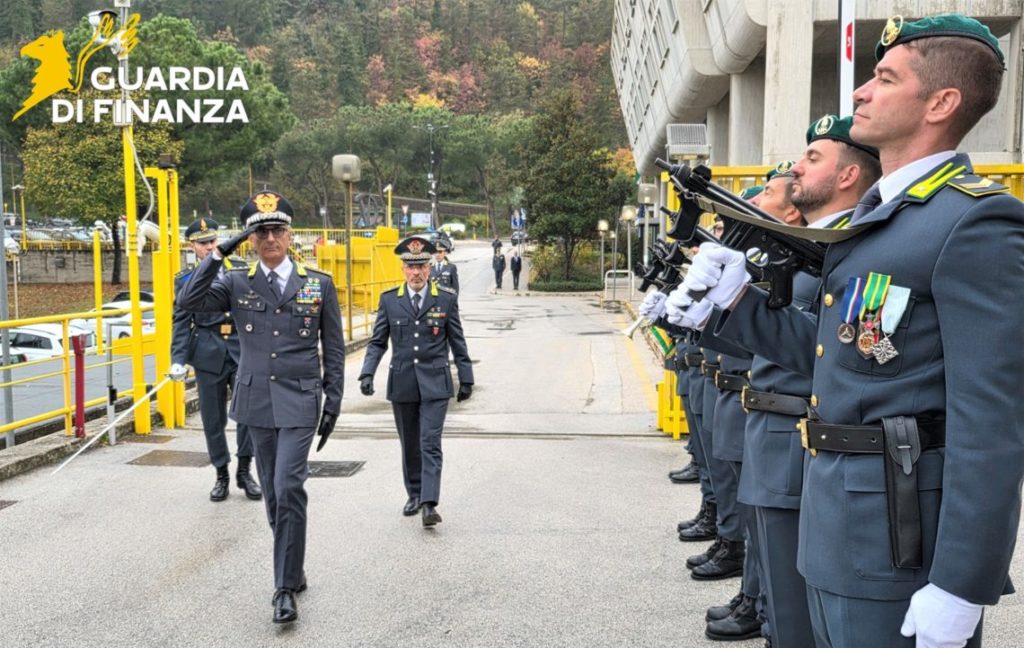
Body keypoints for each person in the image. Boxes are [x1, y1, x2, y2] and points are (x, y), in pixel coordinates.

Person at [674, 15, 1023, 647]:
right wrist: (732, 302)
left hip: (896, 542)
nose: (860, 92)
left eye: (884, 78)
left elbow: (992, 423)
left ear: (941, 103)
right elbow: (836, 360)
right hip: (831, 521)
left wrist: (962, 583)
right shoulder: (876, 222)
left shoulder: (973, 222)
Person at [178, 191, 345, 625]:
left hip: (301, 400)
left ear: (290, 235)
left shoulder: (318, 283)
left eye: (277, 230)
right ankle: (294, 565)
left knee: (289, 486)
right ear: (251, 239)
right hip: (256, 402)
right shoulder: (236, 280)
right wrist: (219, 253)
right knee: (273, 494)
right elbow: (189, 302)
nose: (270, 238)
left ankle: (283, 589)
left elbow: (335, 349)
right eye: (261, 231)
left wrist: (334, 401)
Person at [359, 235, 474, 527]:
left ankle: (428, 503)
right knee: (410, 442)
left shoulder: (445, 299)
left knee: (429, 442)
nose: (416, 273)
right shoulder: (389, 300)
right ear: (402, 269)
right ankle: (413, 492)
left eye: (422, 265)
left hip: (435, 383)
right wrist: (368, 372)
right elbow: (377, 342)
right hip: (403, 383)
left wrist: (466, 378)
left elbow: (458, 342)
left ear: (429, 267)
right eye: (411, 267)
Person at [169, 217, 261, 503]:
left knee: (248, 413)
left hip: (241, 347)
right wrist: (178, 358)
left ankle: (245, 470)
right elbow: (182, 320)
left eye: (212, 241)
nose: (209, 247)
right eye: (202, 243)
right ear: (192, 246)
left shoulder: (243, 271)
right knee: (213, 418)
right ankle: (221, 473)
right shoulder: (185, 280)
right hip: (208, 351)